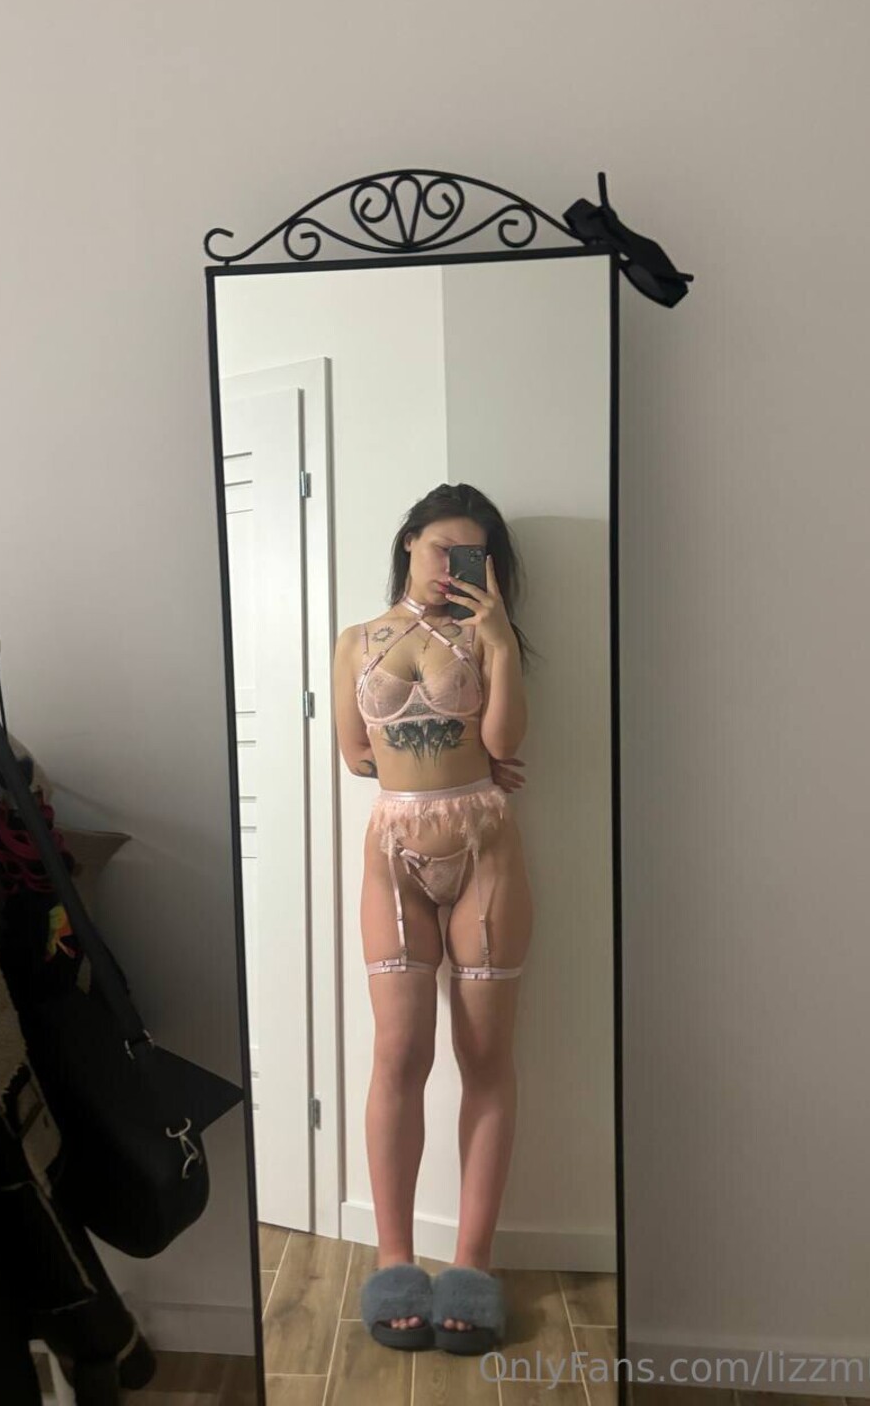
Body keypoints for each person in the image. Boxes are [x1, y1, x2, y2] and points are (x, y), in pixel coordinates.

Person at [332, 481, 535, 1356]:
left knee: (485, 1058)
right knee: (398, 1055)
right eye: (439, 548)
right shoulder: (354, 641)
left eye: (470, 554)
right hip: (394, 854)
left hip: (485, 847)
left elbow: (505, 746)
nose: (453, 565)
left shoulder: (488, 636)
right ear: (409, 543)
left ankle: (473, 1267)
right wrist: (425, 757)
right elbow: (355, 755)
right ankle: (393, 1262)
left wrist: (501, 642)